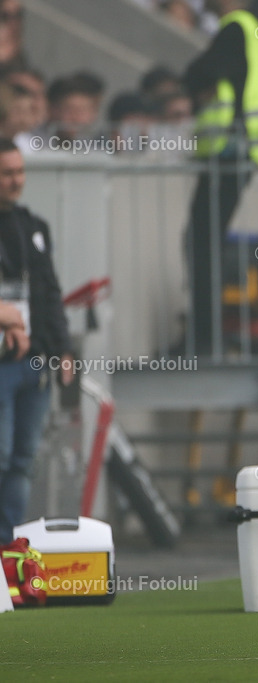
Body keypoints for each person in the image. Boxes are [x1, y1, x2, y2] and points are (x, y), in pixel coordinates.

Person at [183, 0, 258, 354]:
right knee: (206, 238)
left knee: (201, 240)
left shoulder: (237, 28)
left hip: (230, 150)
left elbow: (201, 72)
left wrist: (192, 84)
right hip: (248, 151)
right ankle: (206, 334)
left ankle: (203, 338)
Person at [0, 137, 73, 544]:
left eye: (19, 172)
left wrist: (62, 348)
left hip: (35, 361)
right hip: (2, 362)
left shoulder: (34, 227)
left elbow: (49, 291)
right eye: (7, 173)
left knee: (24, 460)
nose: (16, 181)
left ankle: (9, 546)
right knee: (2, 455)